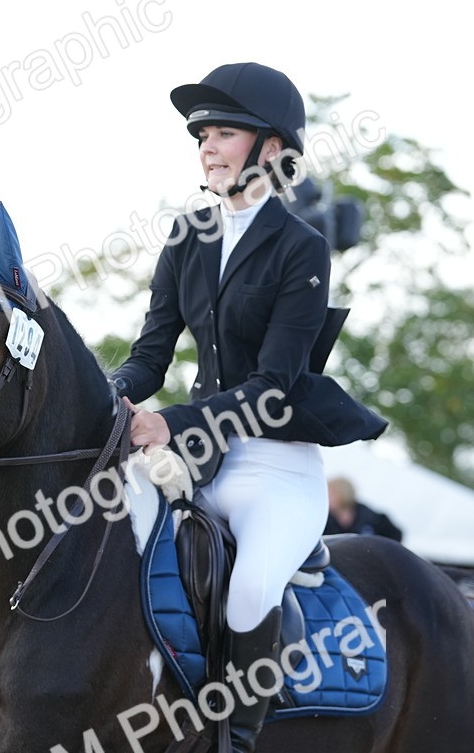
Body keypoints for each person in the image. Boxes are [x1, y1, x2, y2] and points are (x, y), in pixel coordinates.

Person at [111, 62, 387, 752]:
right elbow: (150, 357)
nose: (205, 145)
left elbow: (273, 386)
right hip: (201, 460)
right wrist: (108, 397)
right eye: (201, 133)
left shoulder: (301, 246)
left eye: (223, 132)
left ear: (271, 147)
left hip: (275, 470)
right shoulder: (187, 236)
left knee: (250, 590)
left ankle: (235, 739)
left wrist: (166, 423)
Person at [324, 475, 403, 541]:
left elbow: (396, 537)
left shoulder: (371, 518)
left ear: (342, 494)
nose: (326, 499)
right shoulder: (325, 521)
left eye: (331, 495)